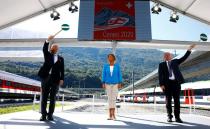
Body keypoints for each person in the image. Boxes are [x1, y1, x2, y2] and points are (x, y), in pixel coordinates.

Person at [158, 44, 196, 123]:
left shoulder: (175, 61)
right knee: (168, 101)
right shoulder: (161, 65)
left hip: (176, 83)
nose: (167, 56)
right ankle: (169, 117)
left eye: (168, 55)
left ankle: (177, 117)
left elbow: (184, 58)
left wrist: (189, 49)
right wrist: (161, 85)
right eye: (165, 55)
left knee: (177, 101)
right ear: (164, 57)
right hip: (167, 85)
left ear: (171, 56)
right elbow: (160, 75)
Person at [38, 35, 64, 121]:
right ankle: (43, 115)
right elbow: (44, 48)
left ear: (58, 49)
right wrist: (47, 40)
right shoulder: (47, 54)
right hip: (45, 77)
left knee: (53, 98)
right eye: (53, 46)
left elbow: (62, 70)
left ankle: (50, 115)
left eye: (56, 47)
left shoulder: (61, 58)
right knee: (44, 97)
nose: (54, 48)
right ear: (51, 48)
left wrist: (62, 79)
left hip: (55, 79)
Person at [102, 54, 123, 120]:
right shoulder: (105, 66)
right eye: (108, 57)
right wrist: (103, 82)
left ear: (114, 58)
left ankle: (113, 115)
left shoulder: (117, 66)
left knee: (113, 99)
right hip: (107, 83)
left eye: (111, 57)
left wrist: (120, 82)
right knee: (109, 99)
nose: (109, 58)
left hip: (115, 84)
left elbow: (119, 74)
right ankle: (109, 115)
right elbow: (103, 74)